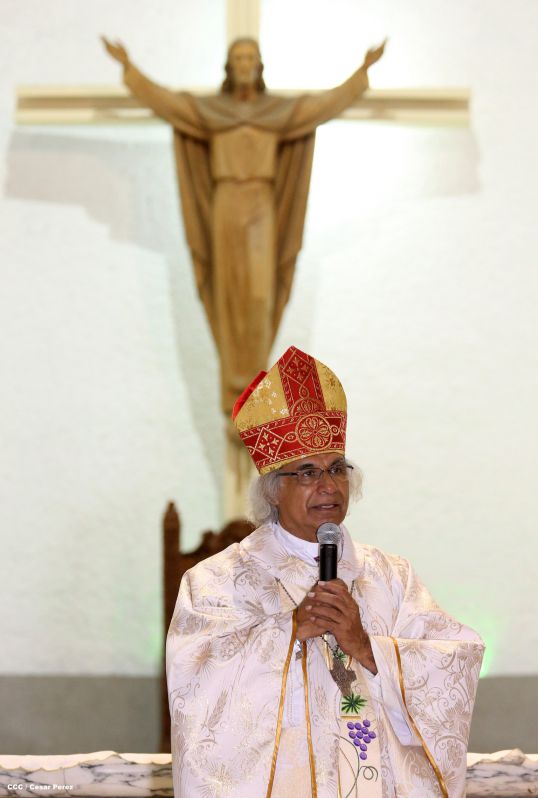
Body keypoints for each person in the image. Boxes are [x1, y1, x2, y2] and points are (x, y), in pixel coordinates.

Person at [165, 345, 484, 797]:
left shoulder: (392, 576)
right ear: (273, 490)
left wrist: (368, 647)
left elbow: (456, 659)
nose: (329, 486)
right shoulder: (214, 583)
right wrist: (287, 632)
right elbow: (195, 690)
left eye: (337, 469)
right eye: (308, 472)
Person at [101, 37, 385, 416]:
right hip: (225, 205)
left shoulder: (277, 112)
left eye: (250, 57)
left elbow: (320, 106)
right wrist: (131, 71)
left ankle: (253, 386)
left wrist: (360, 74)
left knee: (258, 294)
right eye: (238, 57)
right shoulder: (211, 112)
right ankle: (235, 389)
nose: (245, 63)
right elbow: (170, 103)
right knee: (229, 291)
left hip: (261, 205)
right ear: (229, 67)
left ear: (260, 65)